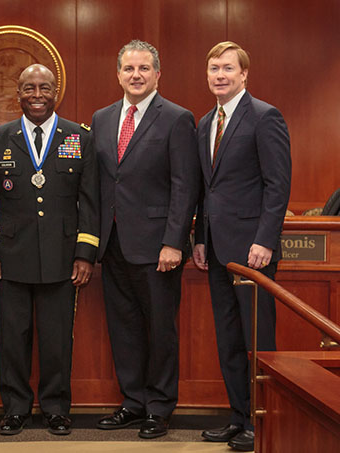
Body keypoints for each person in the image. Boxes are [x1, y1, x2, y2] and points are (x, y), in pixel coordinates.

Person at [0, 64, 100, 436]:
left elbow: (90, 200)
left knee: (57, 338)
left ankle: (56, 408)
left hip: (63, 257)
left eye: (44, 87)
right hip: (11, 256)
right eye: (29, 88)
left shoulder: (79, 136)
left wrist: (84, 253)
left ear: (56, 91)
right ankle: (15, 407)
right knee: (13, 337)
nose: (37, 95)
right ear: (18, 93)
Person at [92, 40, 200, 439]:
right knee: (124, 328)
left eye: (143, 68)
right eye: (128, 68)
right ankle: (133, 402)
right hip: (113, 243)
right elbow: (101, 182)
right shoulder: (101, 119)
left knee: (160, 329)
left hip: (158, 247)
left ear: (157, 74)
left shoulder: (176, 118)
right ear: (118, 73)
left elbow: (183, 185)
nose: (135, 75)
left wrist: (174, 241)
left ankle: (159, 407)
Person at [193, 41, 291, 452]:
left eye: (228, 68)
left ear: (244, 74)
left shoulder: (265, 117)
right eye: (214, 68)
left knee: (257, 341)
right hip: (216, 250)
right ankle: (238, 416)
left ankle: (261, 422)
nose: (220, 75)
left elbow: (278, 185)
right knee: (229, 338)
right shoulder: (204, 123)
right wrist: (199, 239)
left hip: (252, 254)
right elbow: (204, 188)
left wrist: (264, 240)